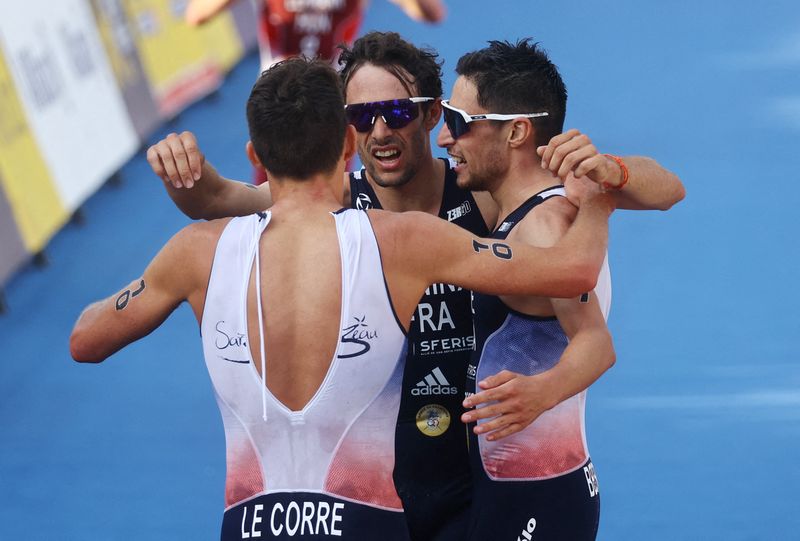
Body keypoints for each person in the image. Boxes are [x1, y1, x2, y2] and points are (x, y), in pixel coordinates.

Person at [146, 32, 684, 540]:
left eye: (398, 112)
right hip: (376, 485)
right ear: (344, 129)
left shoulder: (483, 189)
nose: (379, 131)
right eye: (360, 116)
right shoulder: (328, 204)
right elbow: (217, 202)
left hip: (475, 477)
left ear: (430, 116)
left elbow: (664, 190)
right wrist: (186, 173)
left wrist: (609, 170)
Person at [434, 39, 631, 540]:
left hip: (536, 496)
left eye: (457, 121)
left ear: (517, 131)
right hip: (516, 483)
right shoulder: (517, 210)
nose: (443, 137)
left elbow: (597, 344)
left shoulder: (543, 226)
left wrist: (539, 393)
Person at [184, 0, 446, 185]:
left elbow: (432, 13)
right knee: (269, 201)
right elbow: (196, 15)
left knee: (335, 198)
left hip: (330, 105)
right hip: (277, 104)